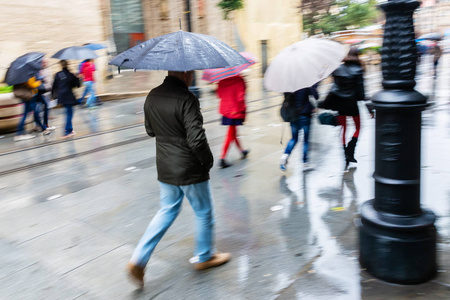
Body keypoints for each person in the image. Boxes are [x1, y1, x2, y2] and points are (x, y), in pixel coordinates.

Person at [126, 71, 231, 288]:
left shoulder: (152, 95)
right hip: (189, 167)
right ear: (184, 74)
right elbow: (197, 139)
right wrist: (208, 161)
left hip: (165, 166)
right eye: (191, 73)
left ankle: (138, 259)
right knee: (204, 212)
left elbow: (149, 130)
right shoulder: (187, 99)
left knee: (166, 210)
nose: (193, 76)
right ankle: (204, 256)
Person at [320, 47, 367, 169]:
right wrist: (368, 108)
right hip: (351, 103)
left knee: (343, 128)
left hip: (340, 103)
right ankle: (350, 150)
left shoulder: (338, 68)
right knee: (358, 128)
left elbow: (334, 84)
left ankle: (344, 152)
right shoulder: (358, 70)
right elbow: (361, 92)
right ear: (357, 56)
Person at [279, 84, 318, 172]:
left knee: (294, 138)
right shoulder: (306, 82)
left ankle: (285, 156)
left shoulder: (288, 84)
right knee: (305, 140)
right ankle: (305, 163)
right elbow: (316, 96)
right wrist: (313, 88)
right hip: (305, 115)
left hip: (293, 115)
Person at [216, 75, 249, 168]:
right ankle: (222, 158)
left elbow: (219, 95)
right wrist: (243, 109)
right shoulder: (239, 80)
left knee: (233, 132)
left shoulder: (221, 79)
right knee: (231, 134)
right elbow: (240, 98)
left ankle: (242, 151)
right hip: (235, 110)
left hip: (226, 110)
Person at [14, 76, 53, 141]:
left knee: (28, 113)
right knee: (29, 113)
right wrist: (39, 82)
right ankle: (19, 134)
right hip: (29, 95)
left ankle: (43, 128)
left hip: (31, 95)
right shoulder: (27, 74)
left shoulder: (25, 73)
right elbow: (31, 84)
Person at [51, 60, 80, 139]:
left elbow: (54, 86)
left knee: (68, 113)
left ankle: (70, 129)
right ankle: (67, 131)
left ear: (61, 65)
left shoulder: (57, 74)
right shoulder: (70, 75)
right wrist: (77, 78)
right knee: (69, 114)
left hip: (61, 96)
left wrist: (53, 96)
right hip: (69, 96)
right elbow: (77, 85)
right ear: (67, 65)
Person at [34, 59, 55, 132]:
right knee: (38, 109)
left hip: (42, 91)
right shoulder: (33, 71)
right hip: (37, 92)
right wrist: (41, 79)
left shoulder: (40, 70)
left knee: (45, 106)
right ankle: (39, 125)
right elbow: (33, 82)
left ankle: (44, 124)